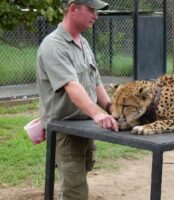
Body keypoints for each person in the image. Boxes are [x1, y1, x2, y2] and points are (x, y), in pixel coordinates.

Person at [36, 0, 118, 199]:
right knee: (75, 191)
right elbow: (72, 86)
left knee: (81, 174)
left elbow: (95, 81)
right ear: (73, 8)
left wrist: (110, 107)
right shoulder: (53, 45)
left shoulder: (82, 41)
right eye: (90, 10)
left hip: (84, 125)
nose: (95, 16)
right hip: (63, 128)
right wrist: (98, 114)